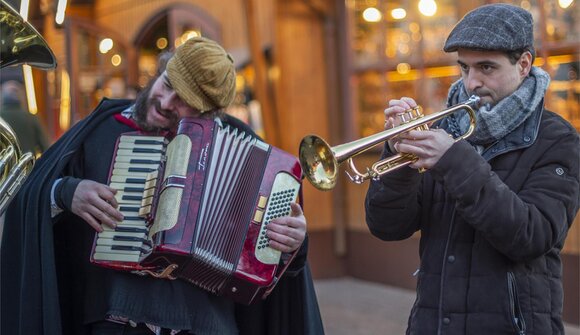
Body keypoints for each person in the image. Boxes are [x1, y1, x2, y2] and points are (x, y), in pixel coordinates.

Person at [1, 36, 324, 335]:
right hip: (113, 320)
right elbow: (28, 196)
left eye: (183, 101)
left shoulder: (253, 156)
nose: (166, 101)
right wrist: (66, 192)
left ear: (208, 113)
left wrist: (292, 242)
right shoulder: (100, 129)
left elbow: (273, 261)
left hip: (205, 325)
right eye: (166, 84)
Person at [365, 4, 579, 335]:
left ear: (523, 64)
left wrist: (454, 161)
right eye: (464, 68)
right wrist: (397, 155)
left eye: (486, 68)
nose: (471, 83)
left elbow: (532, 236)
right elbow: (388, 226)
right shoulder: (446, 128)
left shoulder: (557, 139)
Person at [0, 80, 50, 155]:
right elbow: (45, 147)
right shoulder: (32, 118)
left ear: (2, 96)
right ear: (20, 97)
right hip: (28, 166)